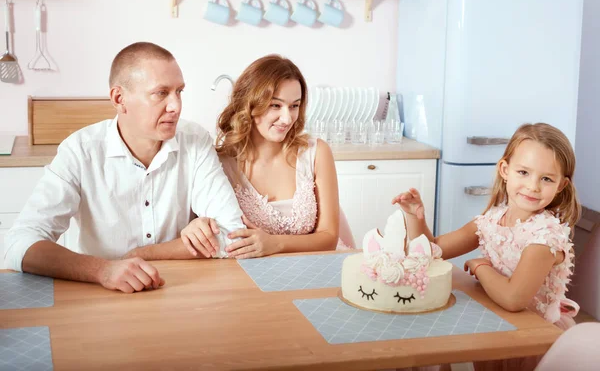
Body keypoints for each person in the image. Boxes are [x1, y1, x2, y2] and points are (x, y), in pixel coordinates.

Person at [3, 42, 245, 293]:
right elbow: (19, 243)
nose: (176, 106)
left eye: (179, 92)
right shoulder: (80, 150)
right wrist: (102, 270)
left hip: (180, 290)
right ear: (120, 99)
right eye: (161, 93)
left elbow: (233, 235)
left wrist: (140, 254)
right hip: (100, 297)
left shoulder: (195, 139)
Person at [394, 123, 581, 371]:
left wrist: (481, 266)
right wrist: (414, 217)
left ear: (561, 186)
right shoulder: (493, 219)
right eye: (523, 172)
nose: (533, 186)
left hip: (531, 339)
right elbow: (432, 249)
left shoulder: (545, 238)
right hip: (496, 322)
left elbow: (514, 299)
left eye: (546, 178)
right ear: (505, 169)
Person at [179, 54, 354, 260]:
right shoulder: (220, 164)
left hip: (317, 265)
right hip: (252, 273)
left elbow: (329, 238)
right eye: (275, 105)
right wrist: (194, 226)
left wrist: (274, 243)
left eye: (294, 106)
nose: (287, 118)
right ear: (250, 104)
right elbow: (208, 233)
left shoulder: (316, 152)